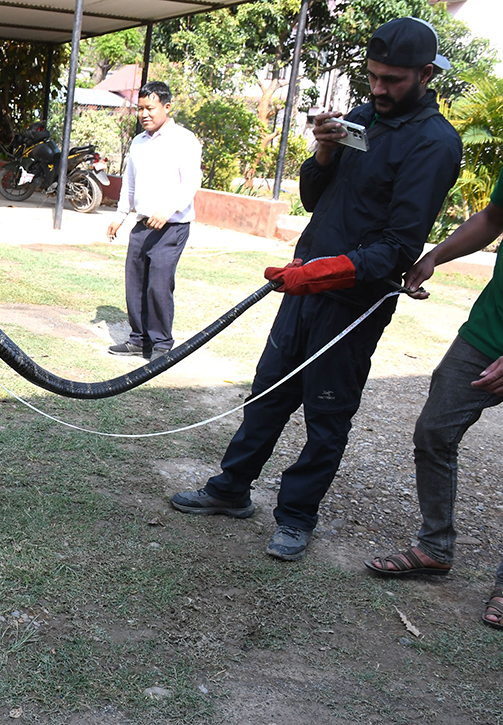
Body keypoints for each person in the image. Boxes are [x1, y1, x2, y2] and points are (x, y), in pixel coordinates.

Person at [168, 17, 463, 562]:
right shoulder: (361, 117)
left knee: (327, 413)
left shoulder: (435, 143)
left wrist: (320, 274)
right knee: (267, 392)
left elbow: (398, 247)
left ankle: (297, 515)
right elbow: (313, 199)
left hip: (352, 302)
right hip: (304, 286)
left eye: (393, 80)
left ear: (425, 75)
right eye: (373, 76)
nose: (378, 89)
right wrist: (324, 152)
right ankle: (231, 489)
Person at [364, 169, 503, 631]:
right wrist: (435, 256)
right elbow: (493, 217)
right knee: (434, 431)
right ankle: (435, 547)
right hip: (487, 332)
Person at [106, 81, 202, 361]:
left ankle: (161, 344)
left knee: (158, 285)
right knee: (135, 284)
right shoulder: (138, 142)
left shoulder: (184, 140)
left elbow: (191, 183)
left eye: (150, 108)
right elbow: (130, 184)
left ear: (166, 107)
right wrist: (120, 216)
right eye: (140, 109)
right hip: (142, 224)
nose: (144, 114)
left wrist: (167, 211)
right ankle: (139, 340)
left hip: (172, 227)